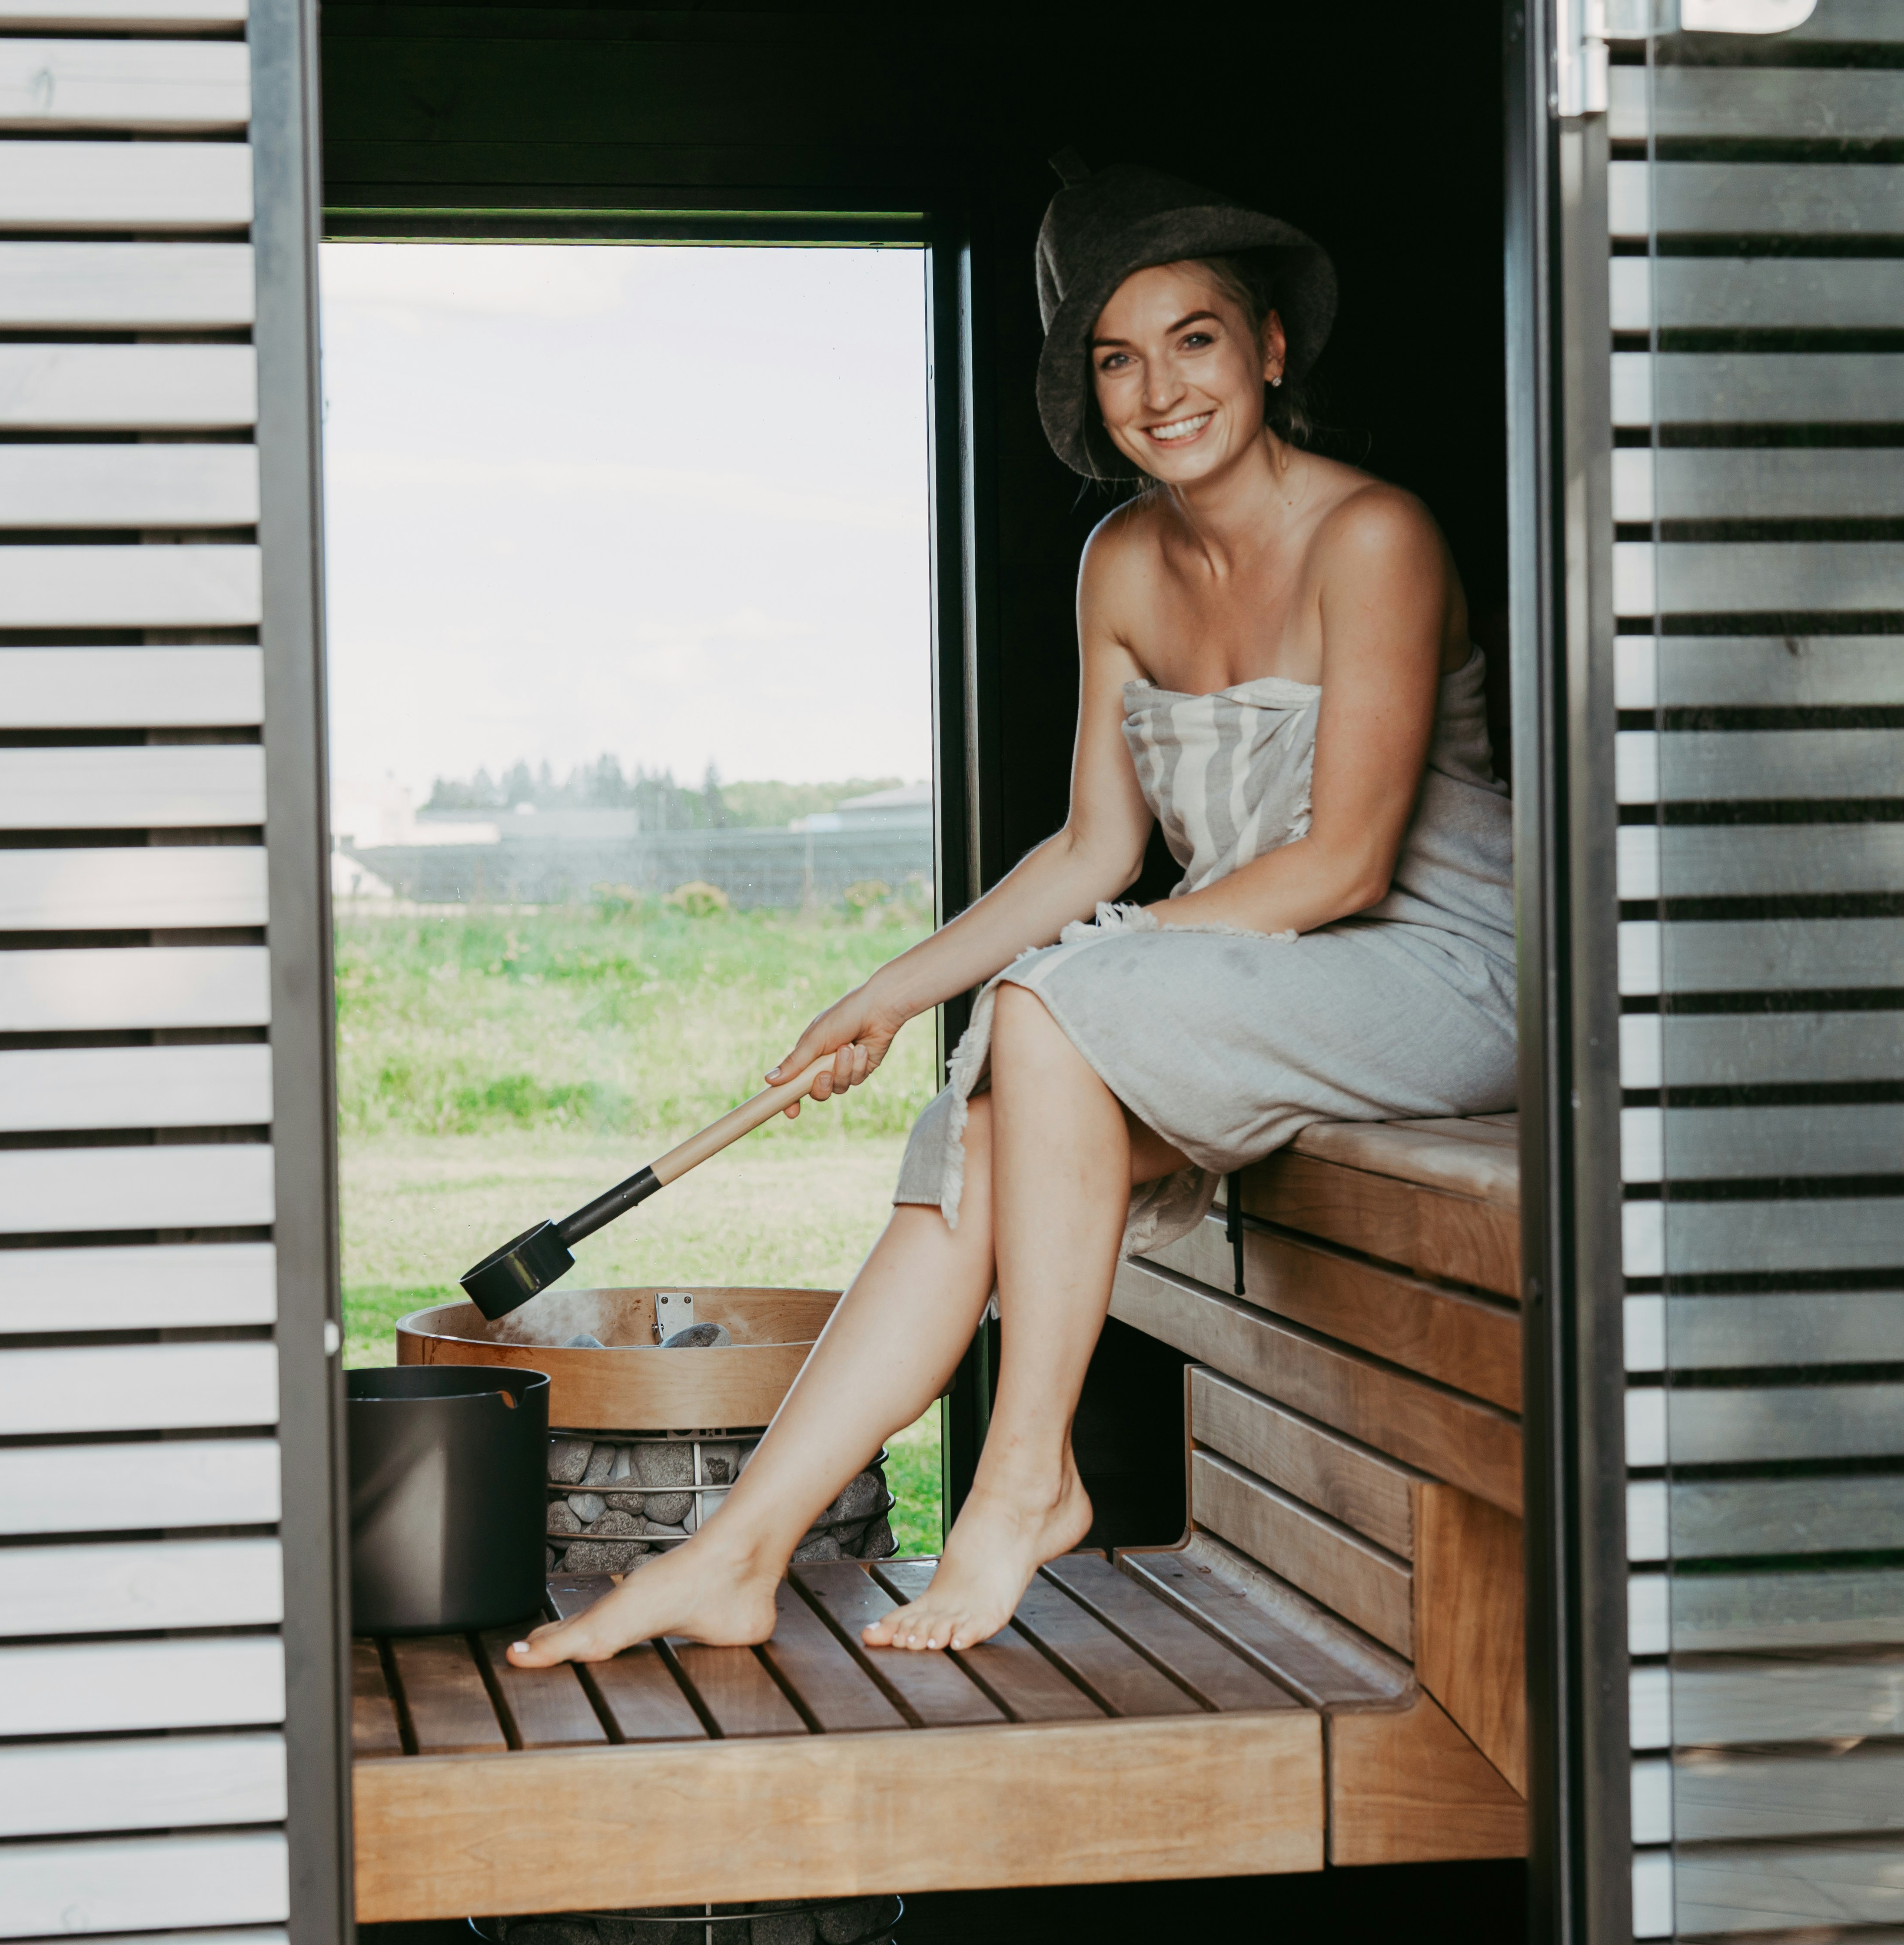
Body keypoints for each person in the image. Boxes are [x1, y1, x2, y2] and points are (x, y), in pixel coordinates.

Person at [510, 157, 1514, 1666]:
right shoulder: (1120, 561)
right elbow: (1093, 849)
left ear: (1269, 349)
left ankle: (1024, 1473)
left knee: (1047, 1017)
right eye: (1118, 357)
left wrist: (1072, 983)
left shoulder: (1373, 534)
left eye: (1192, 337)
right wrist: (897, 992)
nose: (1159, 387)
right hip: (1257, 979)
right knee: (992, 1112)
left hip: (1437, 971)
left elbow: (1346, 864)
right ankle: (735, 1551)